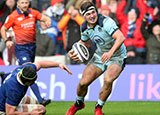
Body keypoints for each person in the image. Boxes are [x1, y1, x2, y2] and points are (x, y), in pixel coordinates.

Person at [65, 1, 127, 115]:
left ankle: (98, 108)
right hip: (99, 55)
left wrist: (110, 53)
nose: (92, 16)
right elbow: (83, 42)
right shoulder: (84, 27)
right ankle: (79, 103)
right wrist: (74, 51)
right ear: (84, 16)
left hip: (117, 56)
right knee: (83, 83)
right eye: (88, 14)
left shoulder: (106, 22)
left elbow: (121, 37)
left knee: (108, 79)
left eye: (93, 12)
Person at [1, 0, 52, 106]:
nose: (25, 5)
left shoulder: (33, 12)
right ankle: (40, 99)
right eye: (22, 3)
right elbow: (3, 29)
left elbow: (45, 18)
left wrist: (48, 21)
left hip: (32, 46)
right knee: (29, 71)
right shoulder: (13, 16)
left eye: (26, 2)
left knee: (24, 70)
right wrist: (7, 41)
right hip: (21, 48)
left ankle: (6, 76)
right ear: (18, 4)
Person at [0, 60, 72, 115]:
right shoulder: (14, 90)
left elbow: (40, 64)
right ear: (27, 82)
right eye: (32, 81)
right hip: (3, 110)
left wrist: (59, 64)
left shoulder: (24, 70)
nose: (34, 83)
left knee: (34, 103)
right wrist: (30, 114)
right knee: (41, 109)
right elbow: (10, 112)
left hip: (5, 96)